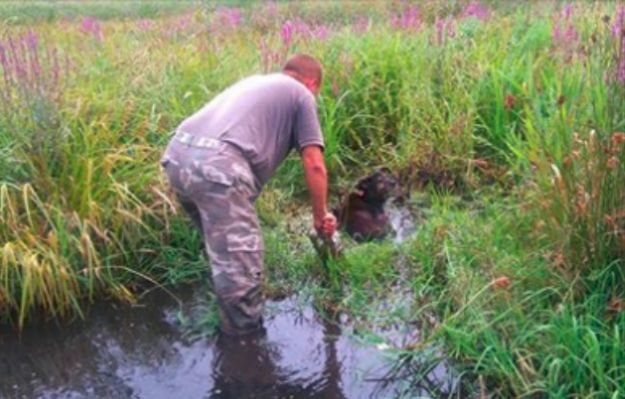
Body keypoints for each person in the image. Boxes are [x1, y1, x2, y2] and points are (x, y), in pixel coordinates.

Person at [160, 54, 337, 336]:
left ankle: (221, 315)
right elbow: (314, 163)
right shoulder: (302, 94)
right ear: (312, 83)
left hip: (177, 157)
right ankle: (245, 354)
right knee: (243, 275)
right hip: (217, 168)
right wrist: (320, 216)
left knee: (224, 256)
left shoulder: (257, 82)